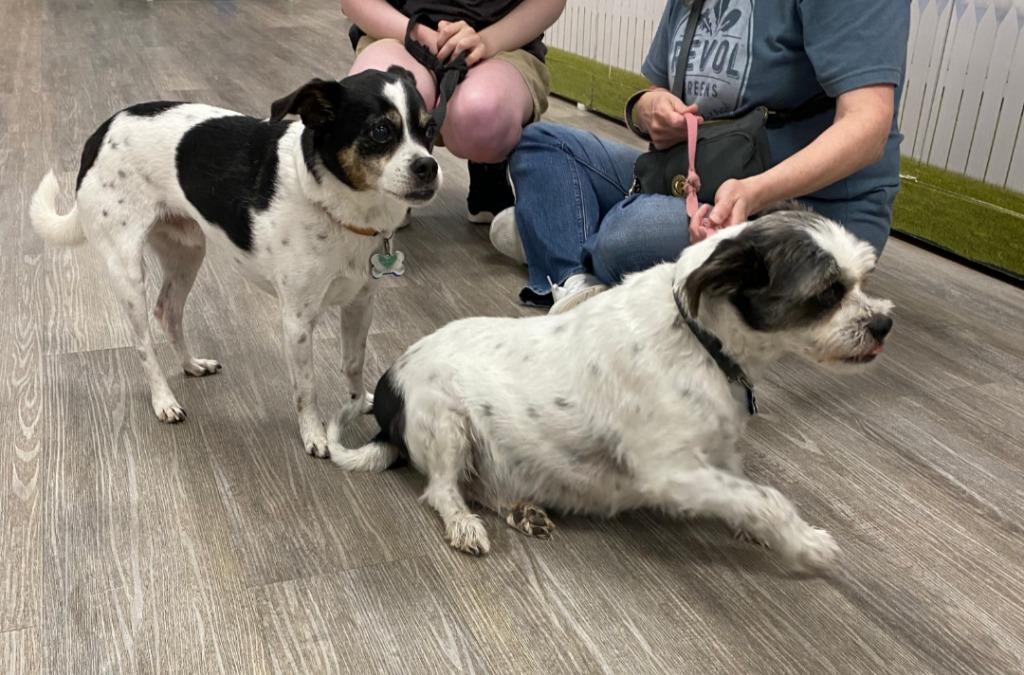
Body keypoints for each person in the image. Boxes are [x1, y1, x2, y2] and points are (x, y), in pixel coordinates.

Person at [490, 0, 910, 312]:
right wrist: (646, 108)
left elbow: (867, 127)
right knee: (543, 142)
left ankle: (553, 232)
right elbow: (656, 91)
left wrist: (754, 192)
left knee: (625, 238)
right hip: (696, 173)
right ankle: (573, 277)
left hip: (798, 209)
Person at [342, 0, 565, 223]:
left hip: (503, 41)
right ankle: (391, 181)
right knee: (380, 102)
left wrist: (486, 41)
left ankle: (489, 170)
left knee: (482, 111)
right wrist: (418, 35)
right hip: (399, 31)